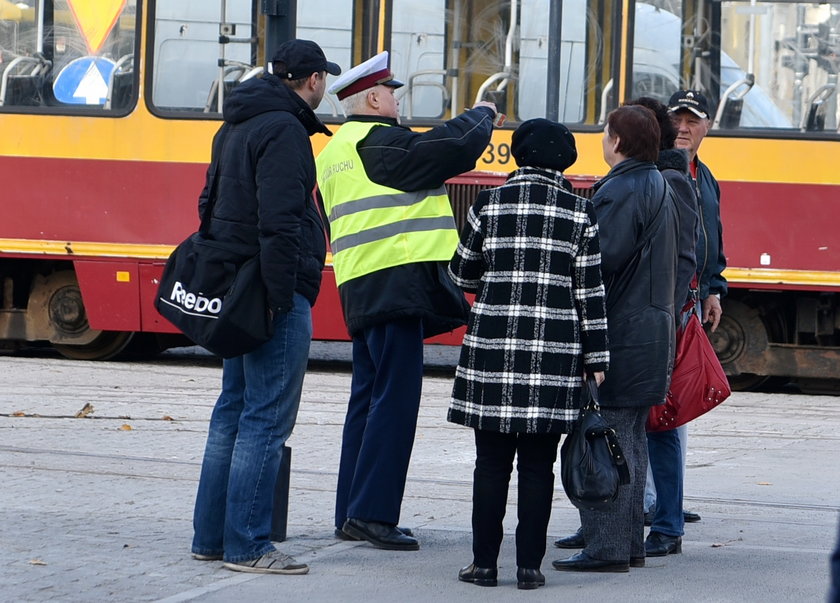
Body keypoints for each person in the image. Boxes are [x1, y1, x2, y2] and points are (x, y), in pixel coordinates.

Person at [315, 51, 496, 551]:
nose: (397, 100)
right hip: (396, 286)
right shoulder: (379, 141)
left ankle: (351, 511)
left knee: (367, 401)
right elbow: (449, 148)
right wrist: (483, 112)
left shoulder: (334, 153)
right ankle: (373, 515)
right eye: (392, 92)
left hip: (361, 287)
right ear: (373, 98)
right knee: (395, 402)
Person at [190, 39, 340, 575]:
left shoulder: (234, 123)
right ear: (313, 80)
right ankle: (248, 544)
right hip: (271, 292)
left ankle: (210, 537)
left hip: (237, 287)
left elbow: (208, 204)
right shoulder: (284, 130)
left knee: (232, 410)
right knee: (265, 418)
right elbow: (280, 223)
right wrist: (280, 300)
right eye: (324, 78)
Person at [450, 119, 609, 590]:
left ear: (517, 154)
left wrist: (497, 288)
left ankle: (482, 565)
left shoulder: (488, 203)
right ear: (565, 160)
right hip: (555, 355)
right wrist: (597, 358)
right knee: (538, 466)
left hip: (492, 353)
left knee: (491, 464)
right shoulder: (580, 214)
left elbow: (462, 272)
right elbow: (590, 295)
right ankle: (529, 568)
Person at [553, 97, 698, 555]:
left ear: (616, 141)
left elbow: (602, 260)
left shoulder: (622, 190)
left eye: (604, 132)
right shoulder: (661, 182)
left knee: (609, 437)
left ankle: (608, 547)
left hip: (622, 332)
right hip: (652, 331)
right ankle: (627, 543)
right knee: (632, 441)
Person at [629, 96, 698, 557]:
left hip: (653, 323)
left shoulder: (670, 182)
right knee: (638, 424)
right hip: (646, 319)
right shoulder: (658, 177)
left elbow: (685, 255)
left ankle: (667, 525)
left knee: (659, 426)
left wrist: (668, 317)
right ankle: (619, 517)